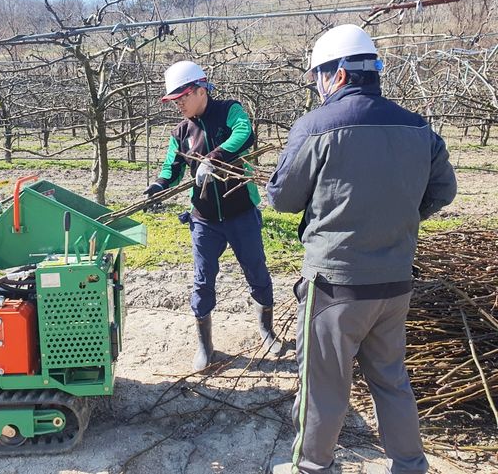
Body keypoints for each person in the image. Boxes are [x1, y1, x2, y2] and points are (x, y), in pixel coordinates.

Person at [267, 24, 457, 474]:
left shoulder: (316, 127)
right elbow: (443, 191)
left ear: (337, 74)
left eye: (318, 75)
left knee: (324, 386)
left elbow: (282, 198)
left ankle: (313, 466)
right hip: (394, 284)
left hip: (336, 286)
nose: (317, 85)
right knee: (391, 380)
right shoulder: (417, 127)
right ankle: (410, 465)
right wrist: (401, 218)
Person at [144, 60, 280, 372]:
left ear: (200, 90)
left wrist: (213, 158)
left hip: (241, 212)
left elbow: (245, 134)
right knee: (203, 281)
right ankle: (205, 346)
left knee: (256, 272)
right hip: (204, 220)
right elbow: (171, 168)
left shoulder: (229, 110)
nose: (178, 105)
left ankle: (266, 330)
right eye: (174, 101)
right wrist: (157, 185)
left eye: (182, 99)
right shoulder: (180, 132)